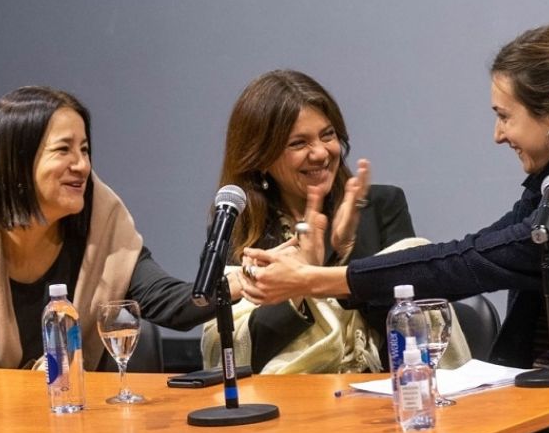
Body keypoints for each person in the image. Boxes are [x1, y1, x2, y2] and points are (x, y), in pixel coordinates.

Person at [240, 24, 549, 433]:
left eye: (505, 116)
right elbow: (473, 253)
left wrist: (316, 280)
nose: (498, 135)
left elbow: (469, 263)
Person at [0, 86, 237, 371]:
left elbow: (171, 304)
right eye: (64, 149)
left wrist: (243, 280)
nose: (81, 165)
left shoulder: (102, 229)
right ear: (17, 162)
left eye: (85, 149)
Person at [201, 70, 471, 374]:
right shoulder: (237, 226)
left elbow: (412, 320)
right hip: (291, 405)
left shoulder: (381, 205)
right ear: (261, 158)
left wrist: (341, 253)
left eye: (327, 135)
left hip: (380, 391)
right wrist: (298, 292)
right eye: (298, 143)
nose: (320, 153)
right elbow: (241, 354)